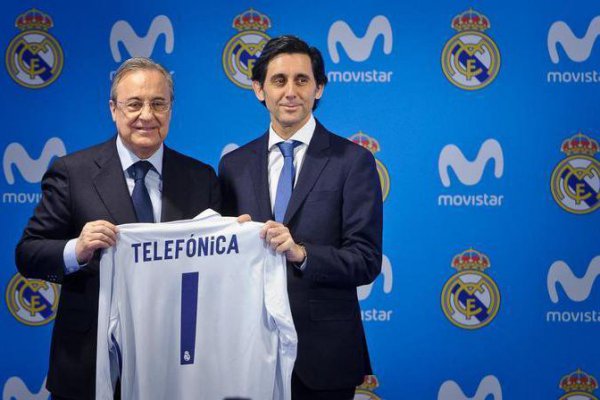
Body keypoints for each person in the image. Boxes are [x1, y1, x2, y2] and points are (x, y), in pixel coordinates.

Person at [15, 57, 221, 400]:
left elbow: (218, 268)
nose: (147, 115)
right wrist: (75, 250)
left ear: (171, 109)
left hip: (176, 361)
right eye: (134, 104)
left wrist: (235, 239)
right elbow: (28, 253)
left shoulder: (201, 178)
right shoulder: (72, 172)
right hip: (89, 358)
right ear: (113, 109)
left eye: (158, 103)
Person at [219, 35, 383, 400]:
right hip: (248, 353)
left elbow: (366, 260)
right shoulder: (233, 166)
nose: (290, 91)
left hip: (324, 355)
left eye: (302, 80)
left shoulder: (353, 162)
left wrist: (302, 253)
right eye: (279, 80)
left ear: (319, 88)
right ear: (259, 89)